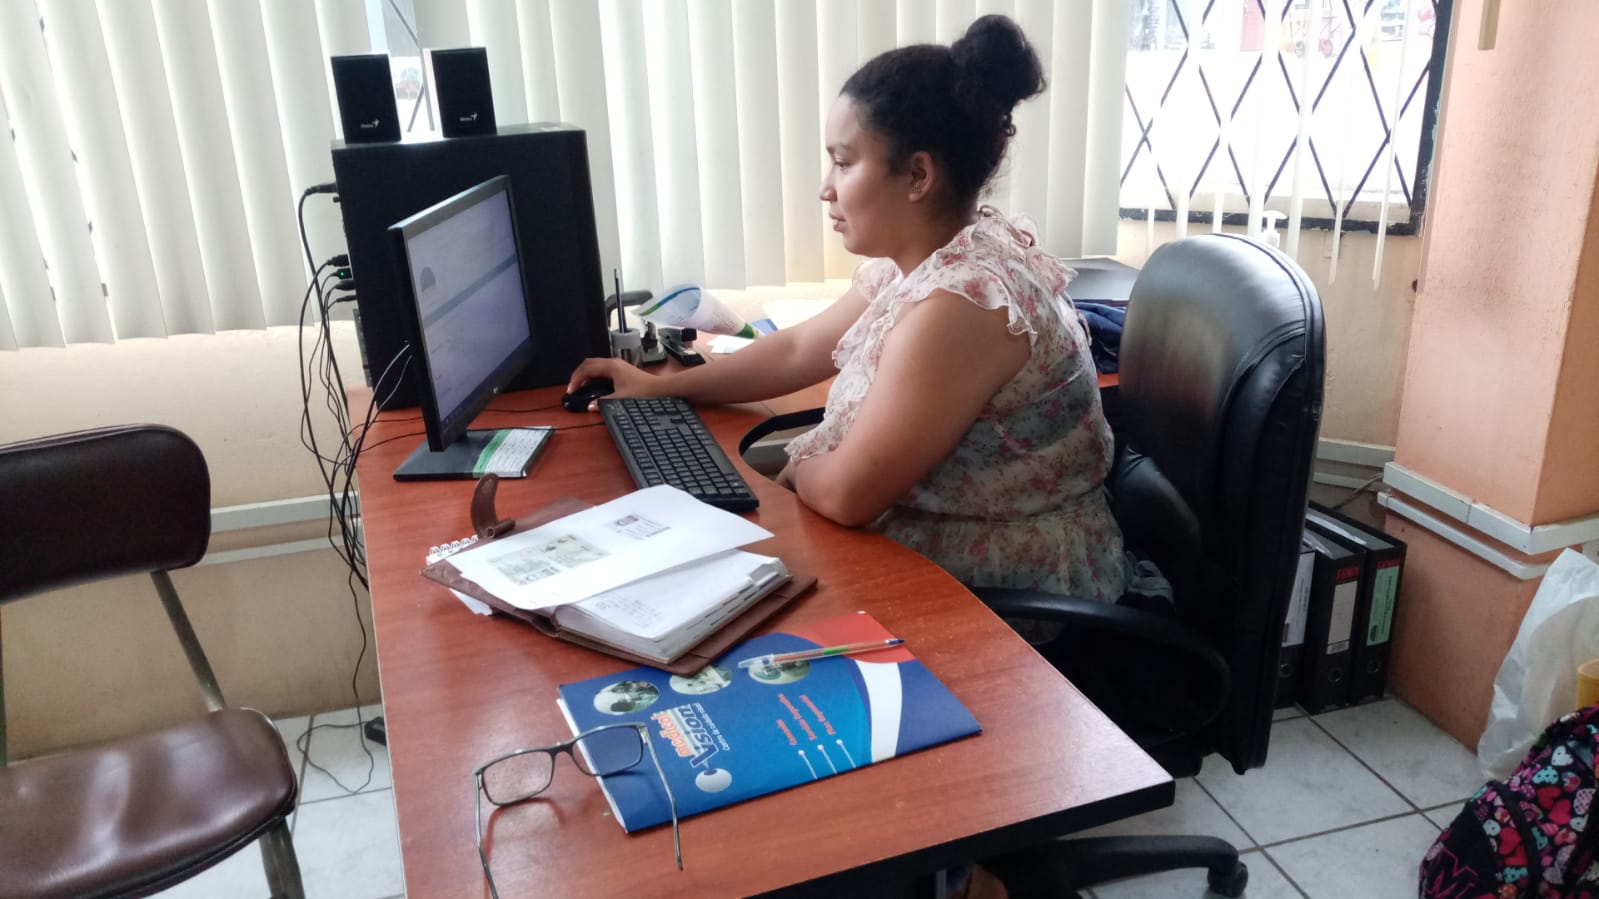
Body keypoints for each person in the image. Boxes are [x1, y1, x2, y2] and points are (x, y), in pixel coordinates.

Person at [568, 14, 1126, 611]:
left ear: (918, 175)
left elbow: (846, 495)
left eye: (843, 161)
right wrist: (657, 390)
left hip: (996, 593)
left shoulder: (961, 306)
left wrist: (796, 464)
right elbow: (797, 350)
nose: (825, 188)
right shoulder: (924, 260)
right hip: (922, 548)